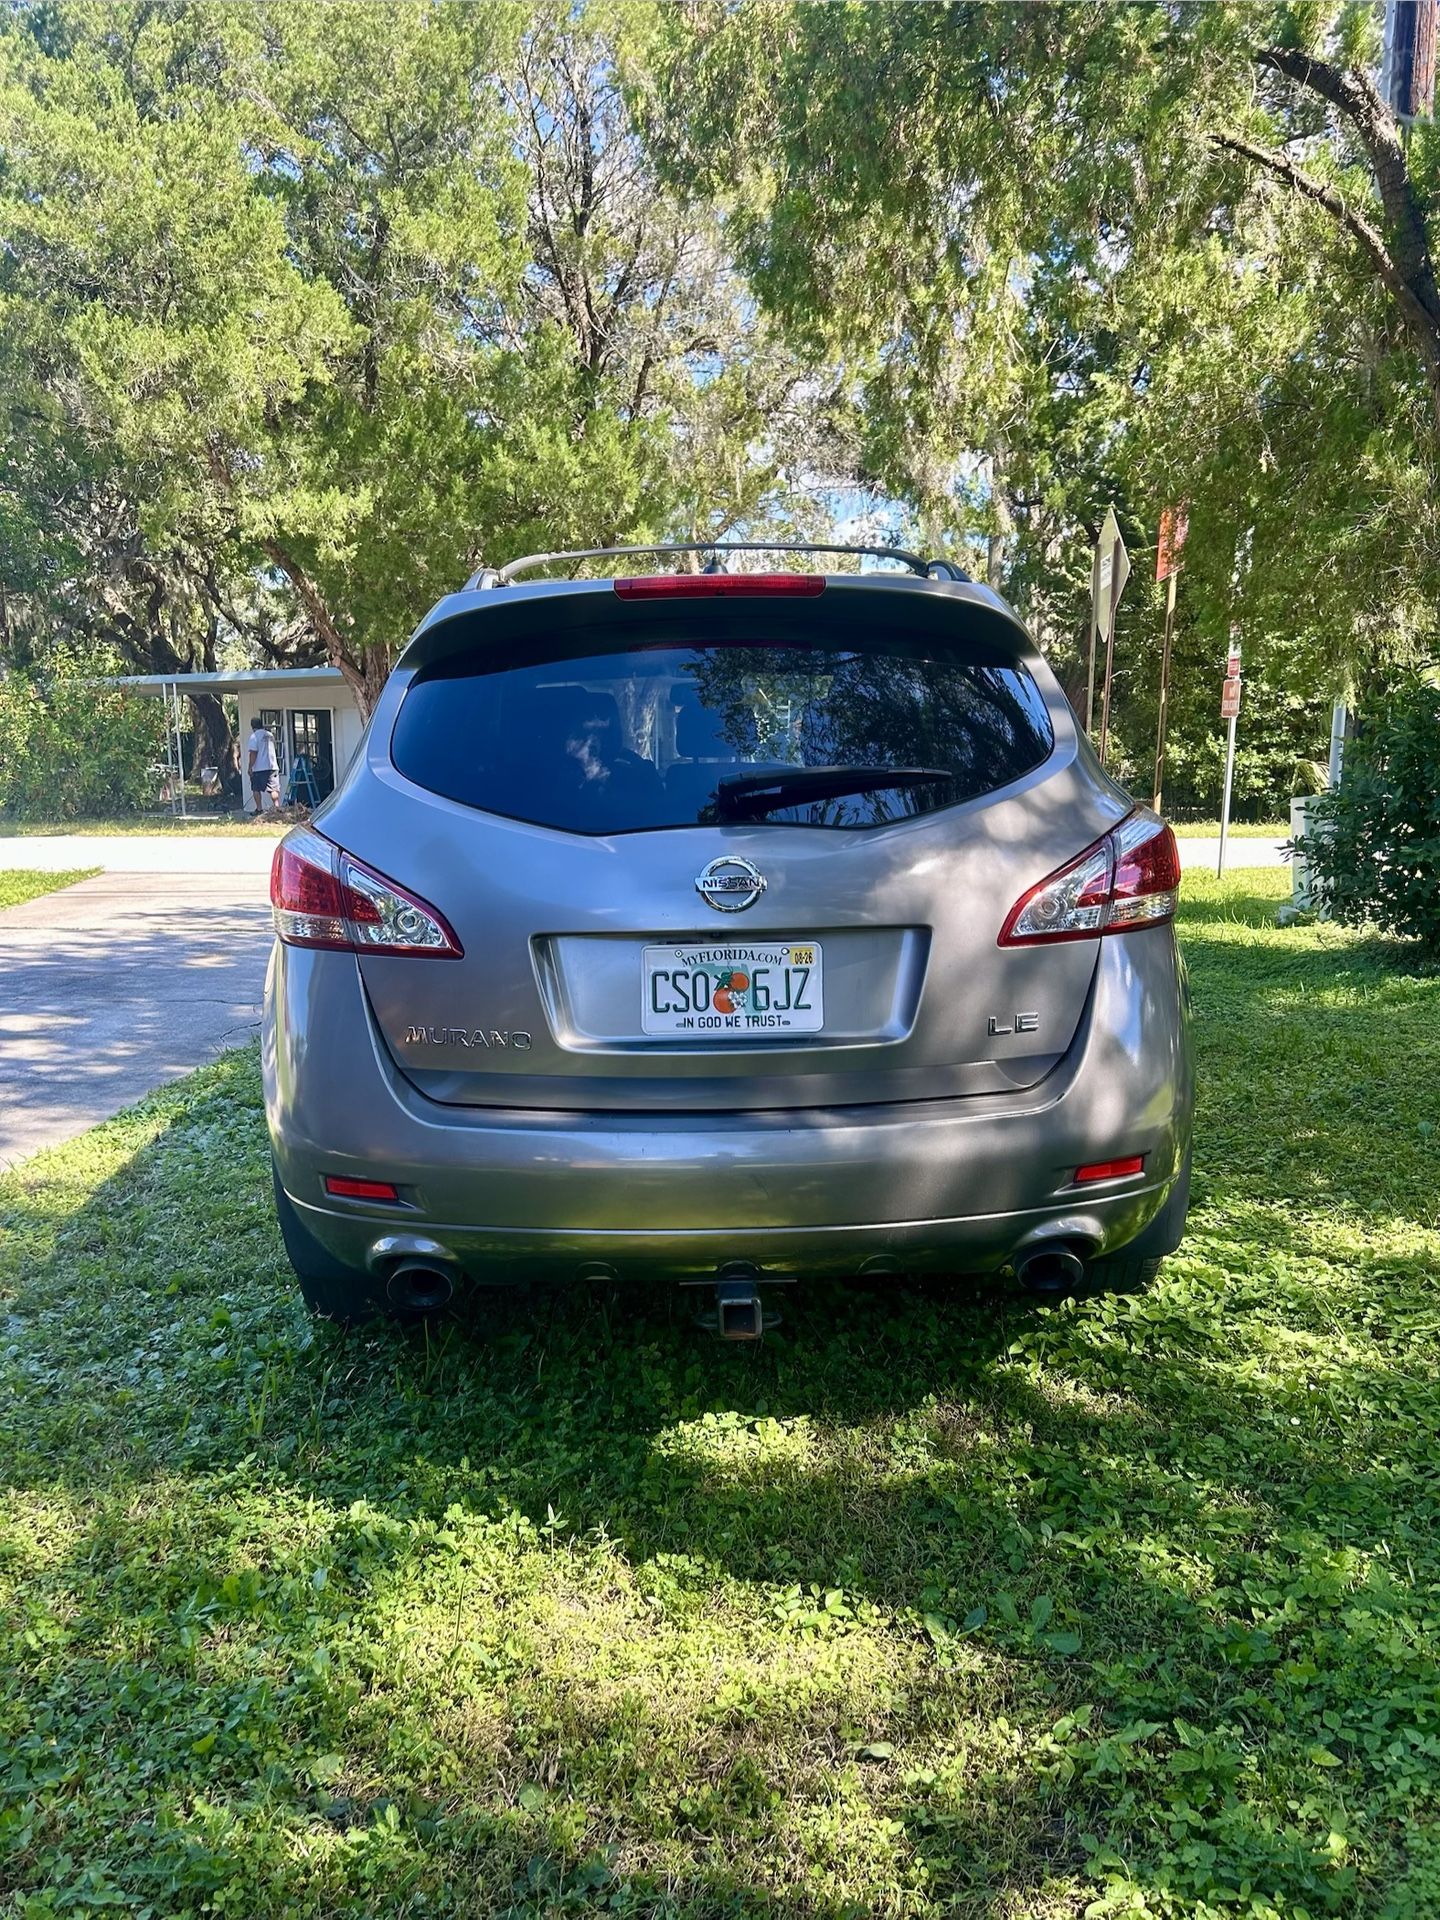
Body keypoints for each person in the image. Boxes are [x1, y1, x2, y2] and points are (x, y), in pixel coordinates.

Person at [246, 716, 278, 812]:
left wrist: (250, 767)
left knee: (256, 789)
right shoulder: (269, 735)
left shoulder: (254, 736)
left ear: (252, 726)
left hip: (259, 768)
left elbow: (253, 753)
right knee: (274, 789)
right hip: (272, 766)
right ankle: (277, 808)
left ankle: (259, 809)